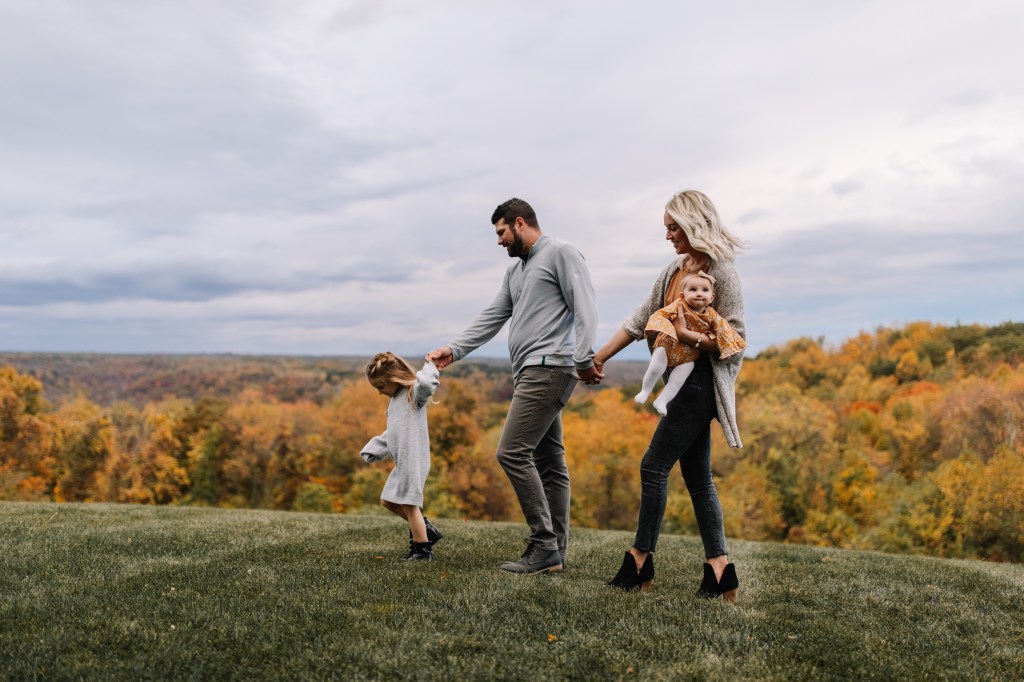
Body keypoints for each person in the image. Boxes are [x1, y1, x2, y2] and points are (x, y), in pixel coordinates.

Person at [426, 197, 602, 575]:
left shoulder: (561, 253)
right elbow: (493, 315)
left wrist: (585, 357)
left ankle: (544, 544)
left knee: (511, 452)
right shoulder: (516, 271)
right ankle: (555, 553)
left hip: (549, 368)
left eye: (502, 232)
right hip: (528, 372)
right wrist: (454, 350)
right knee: (550, 463)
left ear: (520, 223)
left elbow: (585, 306)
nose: (499, 240)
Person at [594, 189, 746, 601]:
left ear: (693, 224)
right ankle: (720, 572)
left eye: (673, 227)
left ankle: (639, 562)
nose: (668, 235)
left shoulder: (722, 271)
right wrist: (599, 357)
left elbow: (735, 339)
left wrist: (685, 335)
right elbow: (640, 319)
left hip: (699, 384)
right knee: (698, 477)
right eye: (666, 228)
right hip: (676, 381)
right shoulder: (674, 270)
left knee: (653, 466)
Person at [360, 352, 443, 562]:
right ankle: (426, 530)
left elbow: (427, 384)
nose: (379, 392)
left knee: (409, 504)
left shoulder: (413, 393)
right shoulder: (395, 401)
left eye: (381, 386)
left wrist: (431, 365)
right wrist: (375, 448)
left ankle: (422, 551)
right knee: (388, 501)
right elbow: (394, 432)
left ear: (394, 378)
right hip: (403, 462)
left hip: (413, 461)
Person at [635, 271, 746, 416]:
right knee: (656, 367)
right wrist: (664, 328)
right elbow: (660, 314)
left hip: (688, 356)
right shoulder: (679, 305)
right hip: (668, 345)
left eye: (704, 290)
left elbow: (724, 331)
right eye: (693, 290)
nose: (699, 293)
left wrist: (728, 348)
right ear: (683, 295)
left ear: (712, 297)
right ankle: (645, 390)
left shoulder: (712, 316)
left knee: (677, 380)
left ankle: (662, 400)